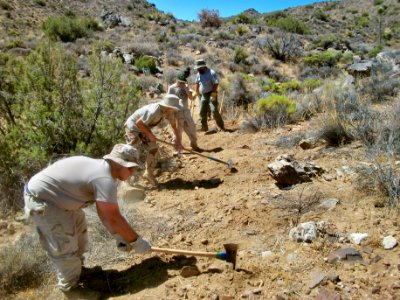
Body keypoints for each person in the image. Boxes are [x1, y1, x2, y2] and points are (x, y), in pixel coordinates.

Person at [23, 144, 151, 299]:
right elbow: (114, 217)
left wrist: (118, 235)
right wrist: (136, 241)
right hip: (45, 202)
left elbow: (103, 210)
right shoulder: (103, 178)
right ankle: (70, 289)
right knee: (64, 245)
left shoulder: (104, 171)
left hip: (59, 200)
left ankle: (79, 273)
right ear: (118, 163)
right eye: (130, 168)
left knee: (79, 235)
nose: (132, 172)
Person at [124, 94, 182, 186]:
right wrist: (150, 134)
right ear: (168, 106)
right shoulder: (154, 111)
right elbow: (139, 123)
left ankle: (148, 173)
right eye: (173, 108)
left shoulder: (168, 112)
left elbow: (174, 126)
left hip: (143, 128)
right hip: (133, 127)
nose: (174, 110)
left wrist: (178, 141)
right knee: (132, 151)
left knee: (153, 148)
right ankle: (127, 178)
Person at [167, 71, 201, 151]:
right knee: (178, 131)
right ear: (177, 80)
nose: (182, 83)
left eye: (183, 82)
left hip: (186, 111)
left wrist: (186, 89)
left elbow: (191, 98)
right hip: (177, 113)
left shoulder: (186, 86)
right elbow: (168, 101)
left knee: (192, 128)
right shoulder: (171, 88)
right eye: (181, 82)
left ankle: (194, 145)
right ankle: (177, 148)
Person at [194, 59, 225, 132]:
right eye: (197, 68)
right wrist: (196, 91)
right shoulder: (198, 74)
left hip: (211, 94)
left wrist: (213, 93)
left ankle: (221, 127)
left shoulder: (211, 73)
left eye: (199, 68)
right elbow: (197, 82)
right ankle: (204, 127)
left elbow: (216, 83)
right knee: (202, 112)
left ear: (203, 67)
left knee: (214, 110)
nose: (198, 69)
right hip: (203, 95)